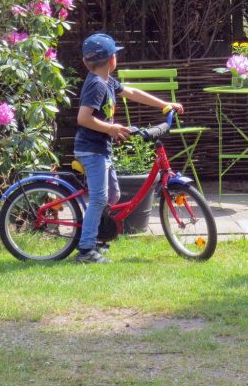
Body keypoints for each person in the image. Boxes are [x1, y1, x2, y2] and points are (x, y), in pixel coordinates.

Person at [73, 33, 183, 264]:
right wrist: (110, 129)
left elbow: (132, 92)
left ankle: (99, 234)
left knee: (113, 194)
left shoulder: (107, 81)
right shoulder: (95, 85)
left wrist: (165, 104)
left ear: (86, 62)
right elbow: (83, 118)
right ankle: (86, 250)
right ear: (113, 60)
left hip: (101, 149)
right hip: (91, 150)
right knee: (100, 198)